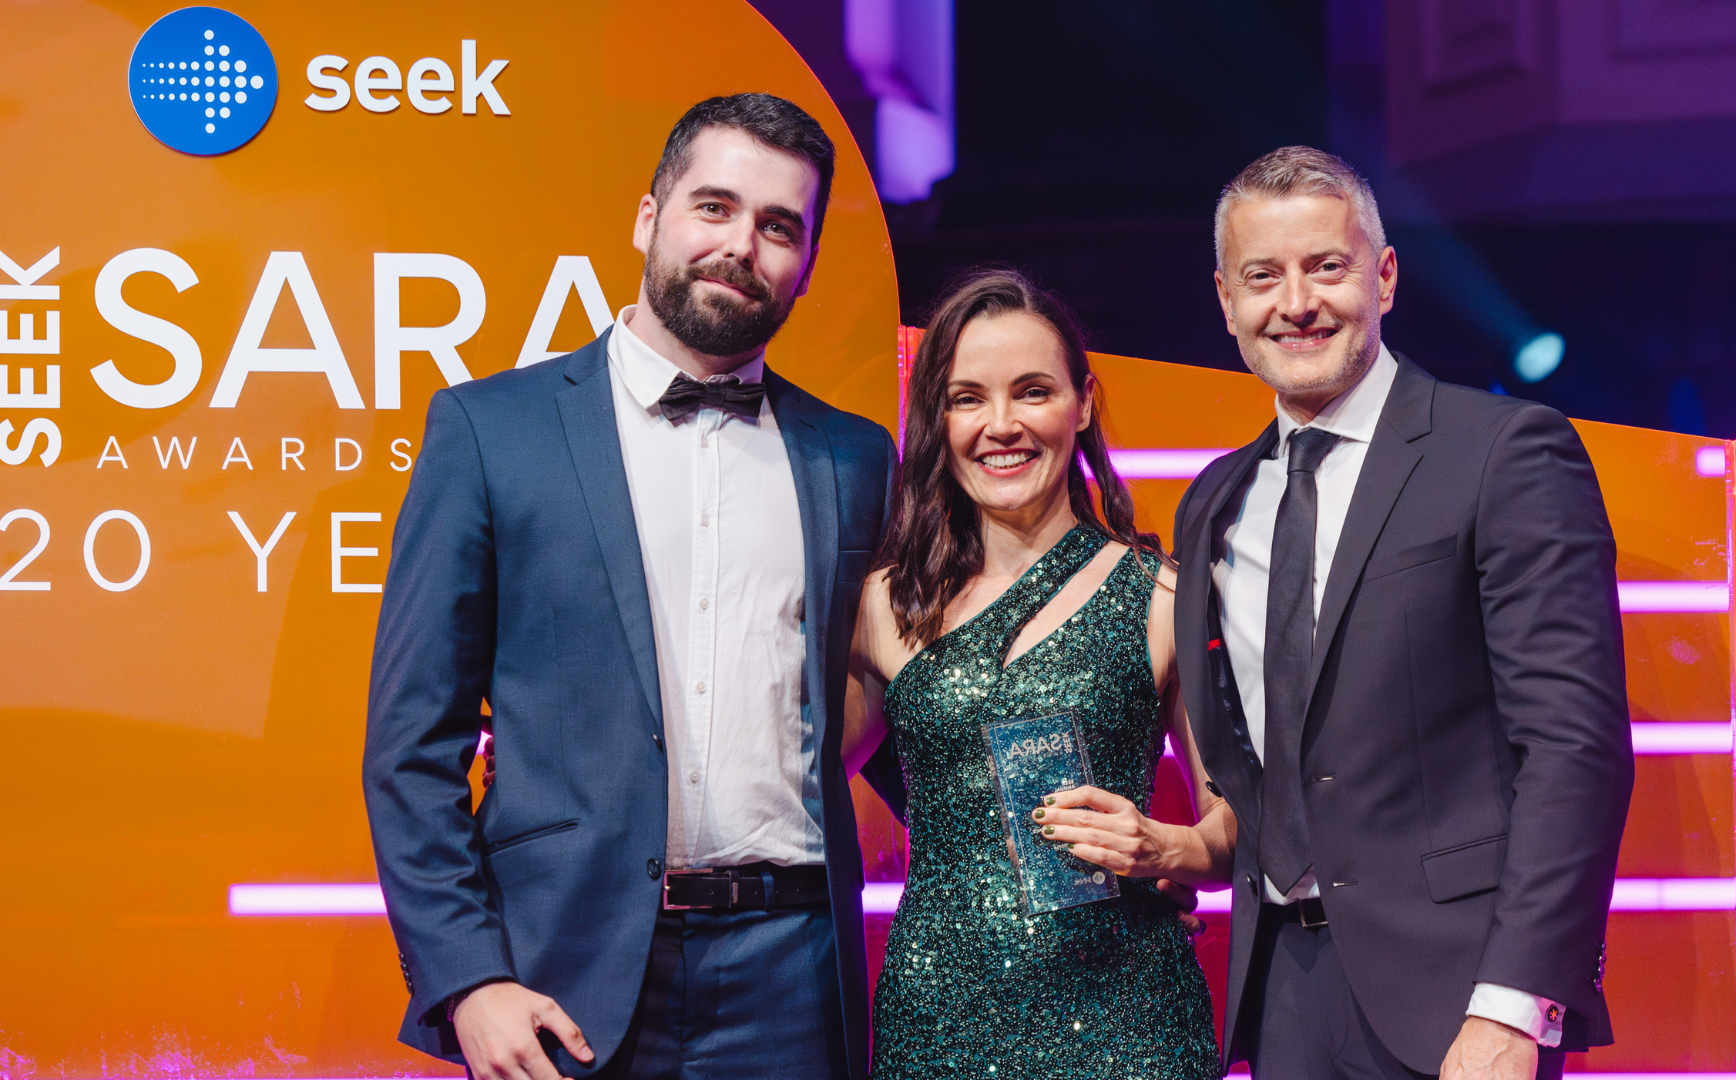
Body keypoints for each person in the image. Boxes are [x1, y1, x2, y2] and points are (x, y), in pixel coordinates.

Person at [363, 94, 895, 1080]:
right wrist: (469, 979)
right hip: (561, 977)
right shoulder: (491, 432)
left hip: (796, 976)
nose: (741, 245)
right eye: (714, 207)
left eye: (780, 227)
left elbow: (909, 715)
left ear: (807, 265)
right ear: (649, 218)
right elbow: (410, 748)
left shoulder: (855, 461)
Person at [1171, 147, 1634, 1080]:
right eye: (1263, 276)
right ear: (1226, 301)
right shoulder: (1213, 500)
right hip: (1282, 993)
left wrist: (1514, 1006)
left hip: (1460, 1002)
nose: (1295, 302)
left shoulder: (1503, 452)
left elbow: (1573, 748)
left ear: (1383, 276)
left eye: (1326, 267)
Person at [841, 269, 1232, 1079]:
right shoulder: (885, 603)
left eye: (1032, 392)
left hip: (1131, 1027)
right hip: (936, 1023)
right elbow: (787, 768)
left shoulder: (1162, 593)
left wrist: (1168, 847)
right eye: (968, 398)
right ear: (936, 417)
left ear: (1083, 403)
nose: (1002, 425)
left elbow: (1236, 826)